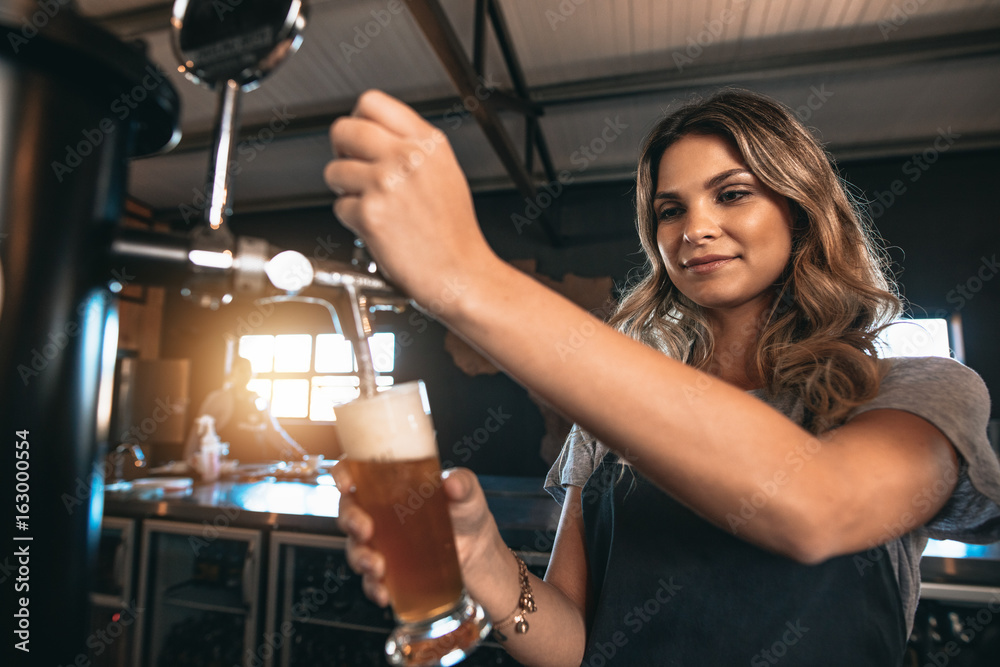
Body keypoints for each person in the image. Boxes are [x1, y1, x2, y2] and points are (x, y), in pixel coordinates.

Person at [325, 89, 1000, 665]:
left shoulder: (918, 392)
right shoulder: (614, 417)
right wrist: (487, 565)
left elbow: (816, 505)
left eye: (732, 194)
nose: (694, 228)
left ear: (797, 211)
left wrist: (465, 277)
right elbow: (570, 644)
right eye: (670, 209)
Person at [184, 356, 307, 463]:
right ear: (232, 373)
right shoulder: (218, 399)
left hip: (257, 465)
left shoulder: (259, 400)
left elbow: (274, 432)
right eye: (242, 370)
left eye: (249, 371)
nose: (246, 374)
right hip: (228, 466)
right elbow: (198, 430)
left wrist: (297, 451)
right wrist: (189, 458)